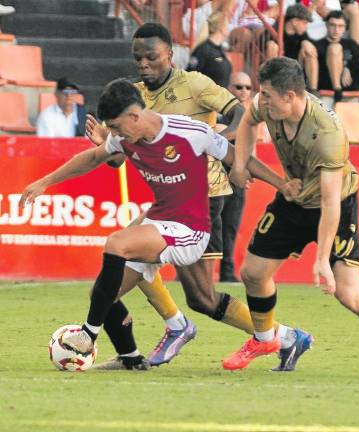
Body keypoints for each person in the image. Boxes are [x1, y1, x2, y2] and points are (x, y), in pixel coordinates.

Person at [19, 78, 297, 358]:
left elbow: (241, 159)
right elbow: (93, 158)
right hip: (159, 222)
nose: (113, 134)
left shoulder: (191, 133)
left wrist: (281, 184)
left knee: (118, 243)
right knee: (103, 296)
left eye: (115, 127)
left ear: (134, 116)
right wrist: (45, 181)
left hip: (190, 230)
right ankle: (131, 358)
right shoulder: (122, 136)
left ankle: (88, 334)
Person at [93, 23, 313, 372]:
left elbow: (240, 115)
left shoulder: (194, 83)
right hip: (167, 202)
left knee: (201, 296)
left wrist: (212, 145)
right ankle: (169, 329)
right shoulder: (132, 96)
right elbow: (119, 158)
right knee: (130, 266)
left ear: (170, 53)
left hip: (204, 196)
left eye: (152, 57)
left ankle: (280, 336)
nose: (144, 64)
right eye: (138, 58)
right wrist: (105, 145)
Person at [224, 56, 359, 380]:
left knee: (348, 294)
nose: (262, 101)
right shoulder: (267, 103)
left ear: (290, 96)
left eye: (268, 95)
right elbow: (246, 124)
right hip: (295, 198)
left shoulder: (327, 134)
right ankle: (266, 339)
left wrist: (322, 261)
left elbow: (330, 203)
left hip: (336, 205)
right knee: (253, 272)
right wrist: (241, 164)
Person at [218, 72, 253, 283]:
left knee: (230, 228)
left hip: (237, 178)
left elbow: (250, 148)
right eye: (239, 87)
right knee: (206, 228)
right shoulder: (218, 114)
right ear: (228, 89)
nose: (243, 92)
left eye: (248, 87)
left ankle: (227, 272)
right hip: (215, 178)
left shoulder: (251, 116)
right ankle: (189, 272)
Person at [316, 10, 359, 102]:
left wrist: (346, 68)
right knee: (334, 48)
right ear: (327, 26)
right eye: (333, 25)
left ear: (345, 28)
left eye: (340, 26)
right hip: (329, 84)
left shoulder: (351, 44)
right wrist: (343, 68)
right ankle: (337, 91)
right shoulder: (318, 45)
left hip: (352, 82)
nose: (336, 30)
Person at [261, 4, 319, 94]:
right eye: (305, 23)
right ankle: (272, 86)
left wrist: (306, 43)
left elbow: (311, 50)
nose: (306, 26)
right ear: (295, 21)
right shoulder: (274, 30)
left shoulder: (302, 34)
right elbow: (260, 47)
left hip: (295, 70)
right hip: (277, 70)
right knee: (272, 45)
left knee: (308, 48)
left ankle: (313, 90)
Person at [186, 11, 232, 88]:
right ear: (221, 28)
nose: (228, 29)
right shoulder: (203, 49)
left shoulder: (220, 51)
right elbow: (190, 75)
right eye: (227, 26)